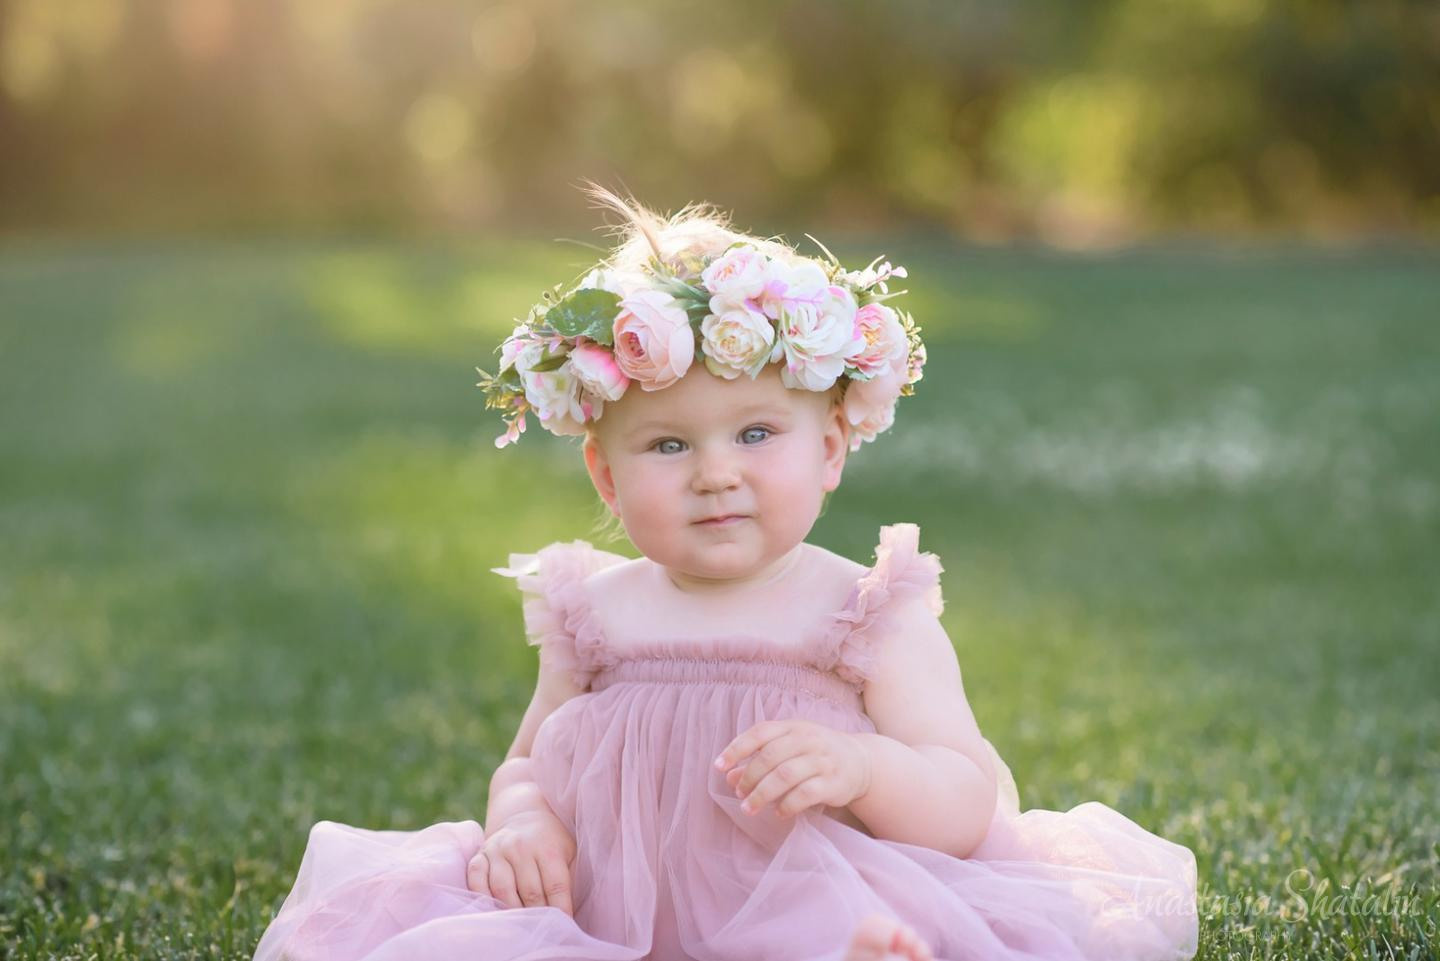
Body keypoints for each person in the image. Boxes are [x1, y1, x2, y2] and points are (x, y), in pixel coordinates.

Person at [251, 183, 1199, 961]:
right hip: (600, 920)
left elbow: (967, 800)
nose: (716, 472)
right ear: (605, 474)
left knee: (843, 933)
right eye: (667, 444)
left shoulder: (862, 611)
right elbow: (526, 762)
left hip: (817, 904)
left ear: (830, 447)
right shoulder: (594, 613)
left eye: (756, 433)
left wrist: (865, 764)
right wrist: (522, 824)